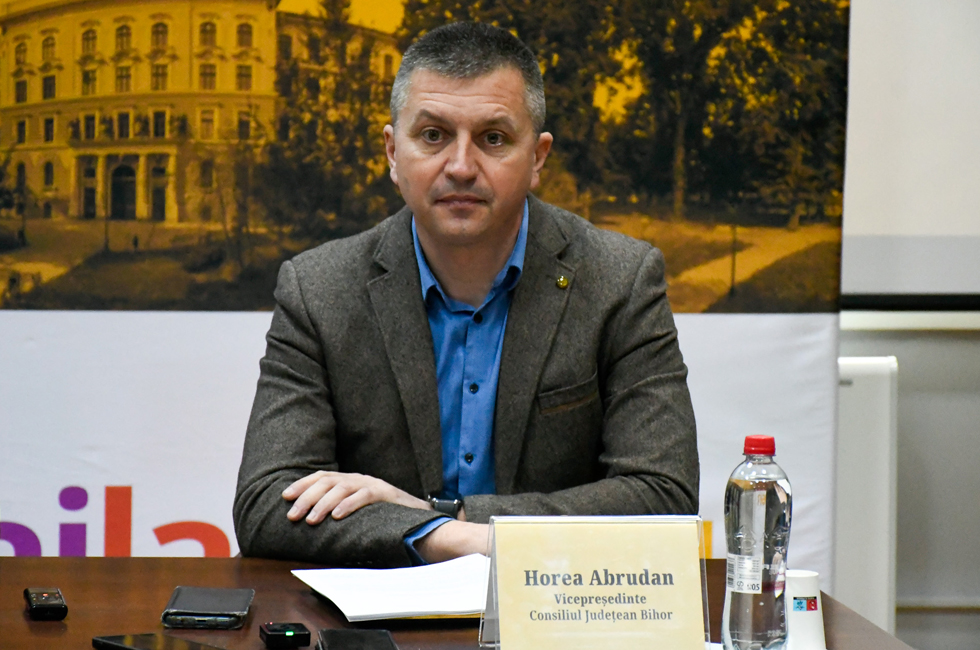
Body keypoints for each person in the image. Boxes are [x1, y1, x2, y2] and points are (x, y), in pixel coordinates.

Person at [234, 22, 698, 568]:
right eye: (433, 135)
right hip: (381, 613)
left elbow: (663, 495)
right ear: (392, 152)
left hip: (557, 608)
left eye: (493, 138)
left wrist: (450, 517)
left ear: (538, 157)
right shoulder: (318, 288)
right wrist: (443, 537)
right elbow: (266, 503)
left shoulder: (619, 280)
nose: (459, 166)